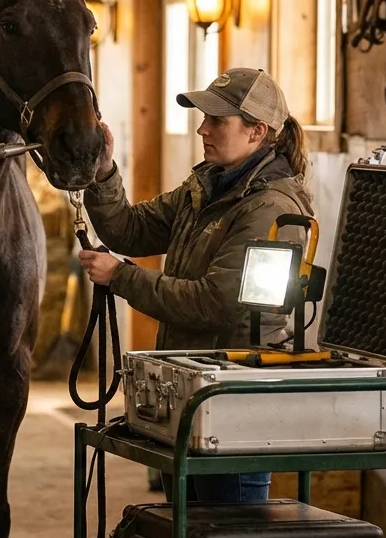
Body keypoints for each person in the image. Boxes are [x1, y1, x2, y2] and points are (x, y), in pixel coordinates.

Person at [78, 67, 314, 503]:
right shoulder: (205, 187)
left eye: (217, 121)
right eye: (204, 118)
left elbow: (218, 304)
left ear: (257, 131)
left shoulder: (270, 211)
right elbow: (130, 230)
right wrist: (104, 171)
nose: (203, 129)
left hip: (235, 404)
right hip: (195, 393)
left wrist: (121, 276)